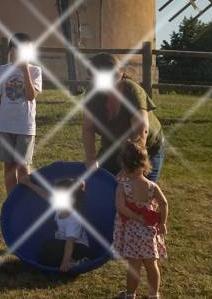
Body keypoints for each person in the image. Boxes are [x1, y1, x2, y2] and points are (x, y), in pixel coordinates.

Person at [82, 53, 164, 181]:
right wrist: (91, 160)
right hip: (113, 146)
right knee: (104, 184)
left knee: (138, 191)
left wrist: (129, 168)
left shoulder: (132, 92)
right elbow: (88, 128)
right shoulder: (92, 93)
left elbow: (141, 132)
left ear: (118, 74)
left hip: (144, 147)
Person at [112, 140, 168, 299]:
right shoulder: (152, 186)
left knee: (134, 266)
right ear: (146, 163)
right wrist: (162, 223)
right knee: (152, 264)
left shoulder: (124, 186)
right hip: (150, 231)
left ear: (123, 164)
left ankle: (130, 295)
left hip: (132, 232)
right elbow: (164, 203)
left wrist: (136, 217)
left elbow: (120, 207)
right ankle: (153, 295)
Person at [0, 33, 43, 195]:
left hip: (25, 126)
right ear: (12, 50)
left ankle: (25, 201)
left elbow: (30, 96)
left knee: (23, 166)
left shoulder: (35, 71)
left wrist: (25, 69)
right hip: (6, 125)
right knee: (9, 166)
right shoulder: (2, 70)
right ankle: (11, 201)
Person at [37, 178, 93, 273]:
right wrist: (28, 184)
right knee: (44, 257)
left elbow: (69, 243)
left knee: (48, 245)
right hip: (65, 245)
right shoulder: (60, 207)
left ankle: (77, 262)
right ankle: (71, 261)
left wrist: (65, 261)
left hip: (79, 249)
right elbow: (45, 195)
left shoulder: (73, 219)